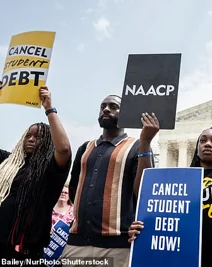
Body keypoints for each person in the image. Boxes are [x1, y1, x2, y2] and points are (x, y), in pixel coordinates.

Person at [128, 47, 212, 267]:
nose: (208, 143)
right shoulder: (179, 179)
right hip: (179, 257)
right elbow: (144, 194)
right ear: (196, 147)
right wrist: (145, 142)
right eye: (203, 140)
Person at [0, 82, 72, 265]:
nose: (31, 139)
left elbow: (64, 149)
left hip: (21, 252)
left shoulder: (50, 169)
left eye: (38, 137)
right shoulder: (6, 161)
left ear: (47, 142)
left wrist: (49, 108)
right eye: (28, 135)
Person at [60, 95, 159, 267]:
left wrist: (145, 143)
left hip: (116, 247)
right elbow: (75, 188)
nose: (106, 109)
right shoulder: (85, 147)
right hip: (77, 244)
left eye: (113, 106)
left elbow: (144, 191)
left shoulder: (137, 146)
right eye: (103, 106)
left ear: (126, 113)